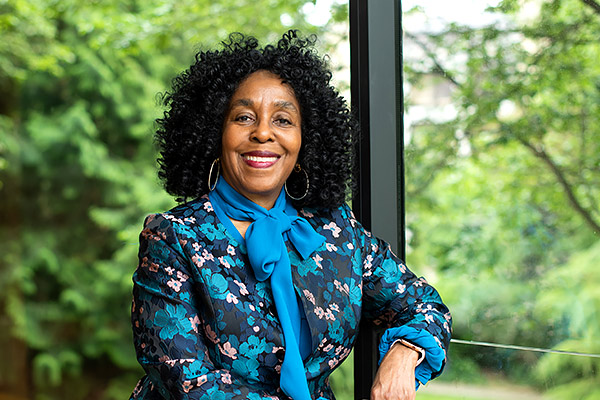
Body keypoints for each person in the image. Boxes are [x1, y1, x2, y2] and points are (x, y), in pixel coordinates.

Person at [130, 30, 451, 400]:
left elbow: (423, 303)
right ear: (214, 135)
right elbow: (188, 382)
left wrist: (404, 354)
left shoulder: (336, 228)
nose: (263, 132)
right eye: (244, 117)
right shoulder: (173, 237)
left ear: (305, 140)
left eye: (283, 120)